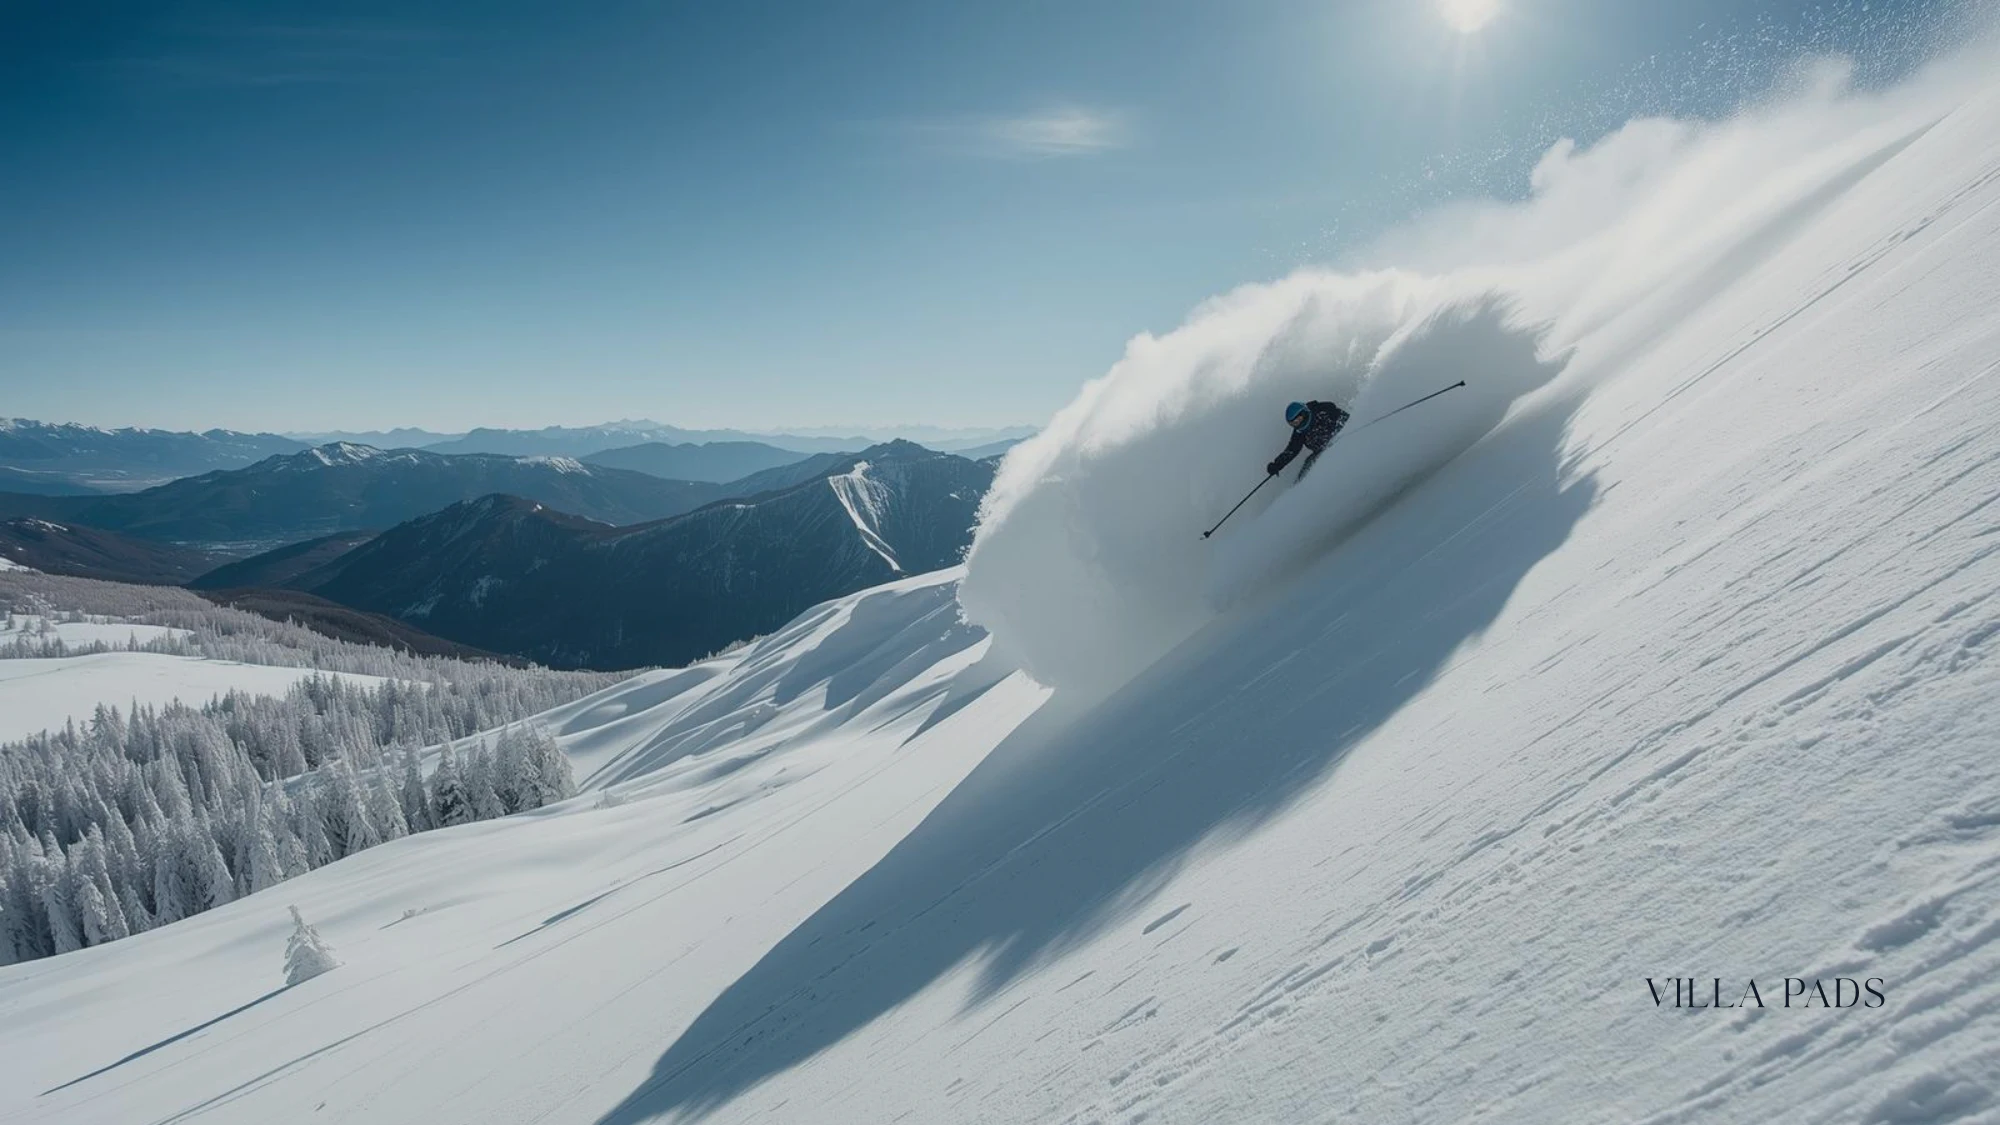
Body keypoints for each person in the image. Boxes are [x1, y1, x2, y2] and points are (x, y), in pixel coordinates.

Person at [1267, 400, 1350, 481]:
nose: (1298, 424)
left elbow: (1346, 419)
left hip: (1342, 437)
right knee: (1308, 464)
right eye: (1294, 424)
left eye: (1298, 420)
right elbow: (1292, 450)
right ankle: (1300, 487)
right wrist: (1277, 465)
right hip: (1322, 451)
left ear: (1303, 413)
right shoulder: (1299, 432)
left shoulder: (1322, 411)